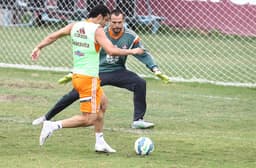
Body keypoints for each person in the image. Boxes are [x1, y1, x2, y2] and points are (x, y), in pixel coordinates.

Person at [30, 5, 144, 153]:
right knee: (89, 118)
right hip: (87, 79)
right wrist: (133, 50)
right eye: (106, 20)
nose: (106, 24)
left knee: (103, 104)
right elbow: (111, 50)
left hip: (80, 77)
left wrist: (38, 47)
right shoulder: (97, 30)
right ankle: (53, 125)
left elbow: (53, 36)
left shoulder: (74, 26)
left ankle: (100, 142)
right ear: (100, 17)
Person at [32, 9, 170, 129]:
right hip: (97, 71)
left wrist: (155, 68)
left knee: (140, 83)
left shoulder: (130, 36)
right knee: (73, 94)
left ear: (124, 21)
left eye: (119, 22)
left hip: (118, 71)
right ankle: (47, 117)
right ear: (108, 21)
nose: (116, 25)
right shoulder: (99, 32)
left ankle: (138, 120)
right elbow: (87, 53)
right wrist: (72, 72)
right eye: (113, 22)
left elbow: (142, 52)